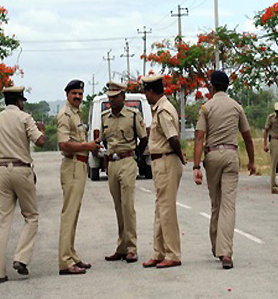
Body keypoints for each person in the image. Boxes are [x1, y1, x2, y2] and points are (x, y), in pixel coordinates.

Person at [0, 86, 46, 283]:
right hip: (22, 169)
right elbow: (40, 141)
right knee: (31, 216)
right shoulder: (25, 118)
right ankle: (21, 258)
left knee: (1, 222)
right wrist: (42, 130)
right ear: (19, 101)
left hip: (1, 170)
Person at [193, 70, 255, 270]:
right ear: (227, 87)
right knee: (228, 204)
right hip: (231, 156)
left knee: (216, 204)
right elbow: (247, 137)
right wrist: (252, 162)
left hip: (212, 157)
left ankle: (216, 246)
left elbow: (199, 138)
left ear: (212, 86)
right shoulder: (237, 107)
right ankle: (225, 252)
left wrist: (196, 166)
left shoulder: (206, 108)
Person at [140, 74, 186, 269]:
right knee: (160, 209)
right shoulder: (159, 108)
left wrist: (181, 156)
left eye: (146, 92)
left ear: (151, 91)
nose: (146, 96)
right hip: (160, 161)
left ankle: (172, 254)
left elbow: (172, 137)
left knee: (167, 210)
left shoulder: (163, 110)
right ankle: (159, 252)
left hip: (167, 160)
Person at [100, 81, 148, 263]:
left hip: (128, 161)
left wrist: (136, 157)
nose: (111, 101)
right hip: (112, 163)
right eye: (109, 97)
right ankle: (121, 247)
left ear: (123, 97)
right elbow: (103, 140)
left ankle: (132, 248)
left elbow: (143, 139)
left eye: (115, 97)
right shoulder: (105, 117)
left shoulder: (133, 115)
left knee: (128, 206)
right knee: (118, 207)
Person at [57, 79, 101, 275]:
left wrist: (90, 146)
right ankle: (65, 261)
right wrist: (86, 146)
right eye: (74, 93)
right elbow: (63, 144)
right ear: (67, 94)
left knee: (74, 213)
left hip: (80, 165)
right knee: (69, 214)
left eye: (80, 94)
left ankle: (71, 254)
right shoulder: (65, 115)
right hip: (72, 165)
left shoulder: (77, 113)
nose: (77, 96)